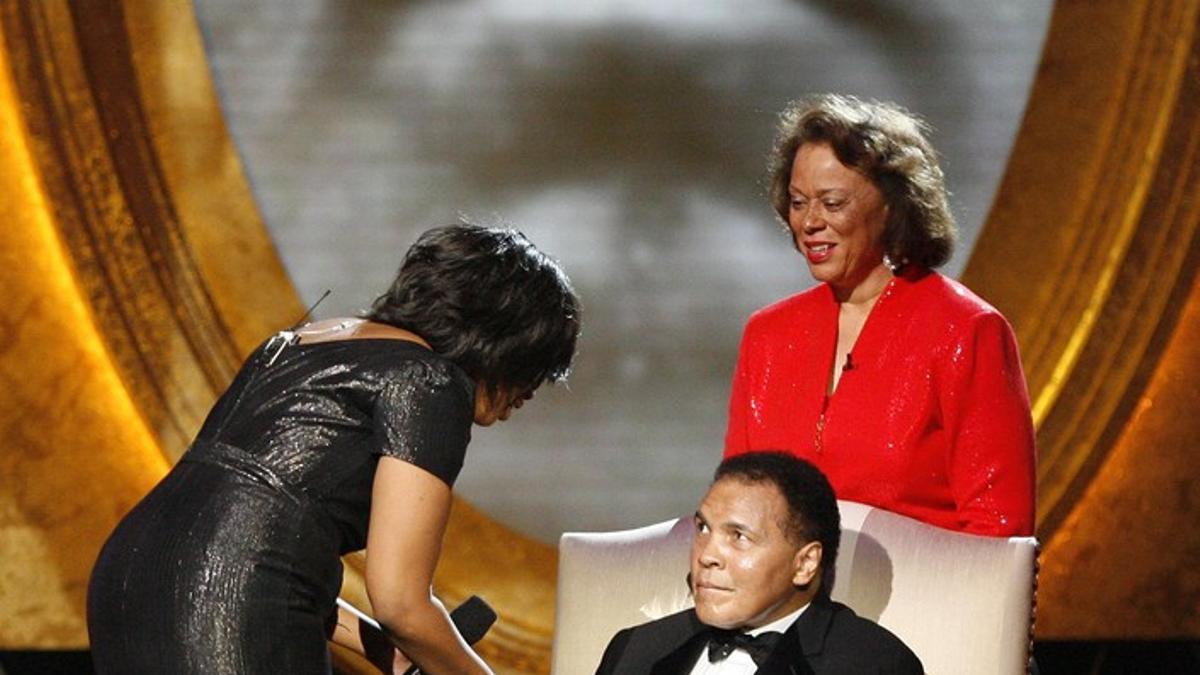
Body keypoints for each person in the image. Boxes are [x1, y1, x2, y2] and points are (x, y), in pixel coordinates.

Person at [87, 224, 581, 674]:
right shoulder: (428, 380)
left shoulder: (294, 344)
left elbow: (268, 543)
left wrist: (391, 653)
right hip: (225, 593)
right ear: (502, 334)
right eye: (537, 363)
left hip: (128, 582)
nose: (533, 389)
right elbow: (400, 603)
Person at [724, 94, 1036, 536]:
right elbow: (737, 508)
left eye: (832, 203)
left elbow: (999, 530)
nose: (810, 221)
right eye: (798, 202)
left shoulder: (966, 331)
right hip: (787, 601)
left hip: (920, 598)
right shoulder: (768, 335)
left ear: (892, 206)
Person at [595, 451, 922, 674]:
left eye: (738, 536)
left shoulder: (873, 665)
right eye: (703, 528)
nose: (706, 555)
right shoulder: (636, 649)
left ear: (805, 563)